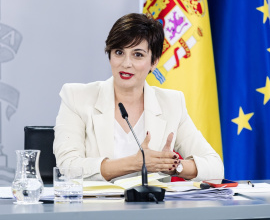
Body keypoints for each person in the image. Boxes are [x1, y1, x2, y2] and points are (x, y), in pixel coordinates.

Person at [53, 13, 224, 181]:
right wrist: (135, 163)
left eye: (138, 54)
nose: (126, 63)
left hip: (150, 208)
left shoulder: (171, 103)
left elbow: (215, 167)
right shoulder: (77, 97)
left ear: (154, 61)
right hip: (96, 207)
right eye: (119, 52)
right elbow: (67, 167)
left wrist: (173, 166)